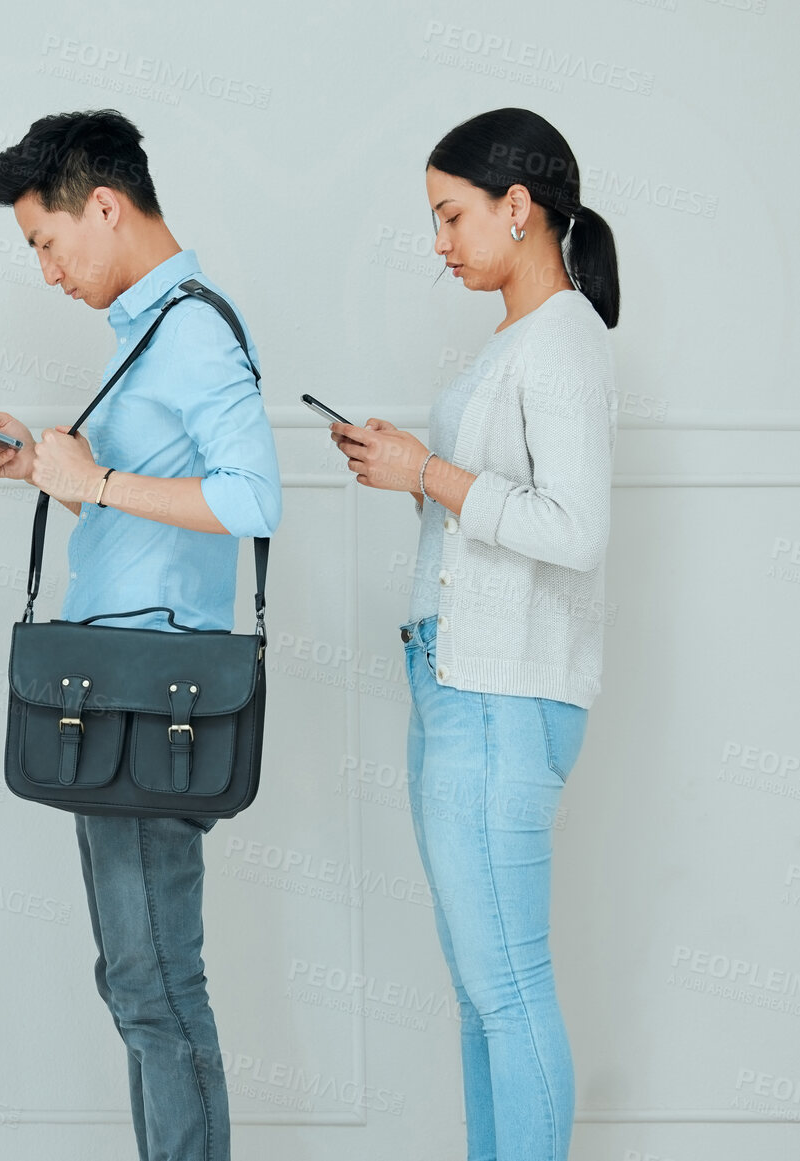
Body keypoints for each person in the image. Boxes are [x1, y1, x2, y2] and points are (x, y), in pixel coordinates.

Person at [0, 109, 281, 1161]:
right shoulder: (148, 332)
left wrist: (90, 478)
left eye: (44, 242)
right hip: (123, 695)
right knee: (135, 982)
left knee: (154, 985)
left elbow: (251, 496)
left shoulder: (191, 328)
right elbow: (153, 511)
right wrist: (45, 470)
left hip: (153, 703)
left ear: (104, 205)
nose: (45, 272)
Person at [330, 107, 619, 1161]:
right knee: (480, 987)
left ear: (516, 206)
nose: (439, 243)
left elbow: (573, 532)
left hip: (497, 694)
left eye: (449, 217)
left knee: (506, 989)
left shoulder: (562, 341)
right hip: (457, 683)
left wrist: (429, 474)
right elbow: (489, 517)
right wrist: (410, 469)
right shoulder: (516, 343)